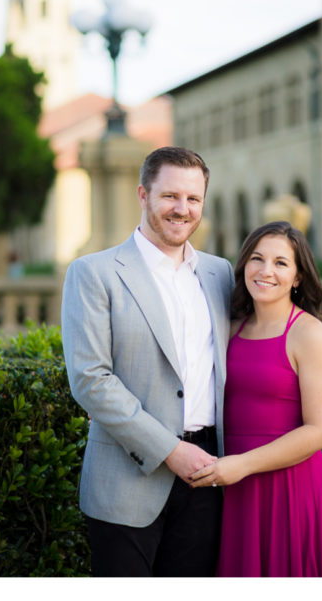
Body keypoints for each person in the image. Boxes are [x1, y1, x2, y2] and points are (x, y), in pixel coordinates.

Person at [61, 147, 234, 576]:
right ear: (143, 194)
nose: (183, 209)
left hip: (209, 472)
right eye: (170, 196)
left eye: (194, 199)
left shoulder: (220, 273)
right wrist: (170, 451)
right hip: (127, 478)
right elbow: (90, 380)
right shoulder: (94, 273)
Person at [188, 220, 322, 576]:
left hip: (292, 489)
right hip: (236, 490)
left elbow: (320, 431)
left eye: (281, 263)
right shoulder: (230, 327)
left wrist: (242, 465)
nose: (265, 271)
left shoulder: (310, 334)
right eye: (257, 259)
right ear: (243, 265)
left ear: (299, 277)